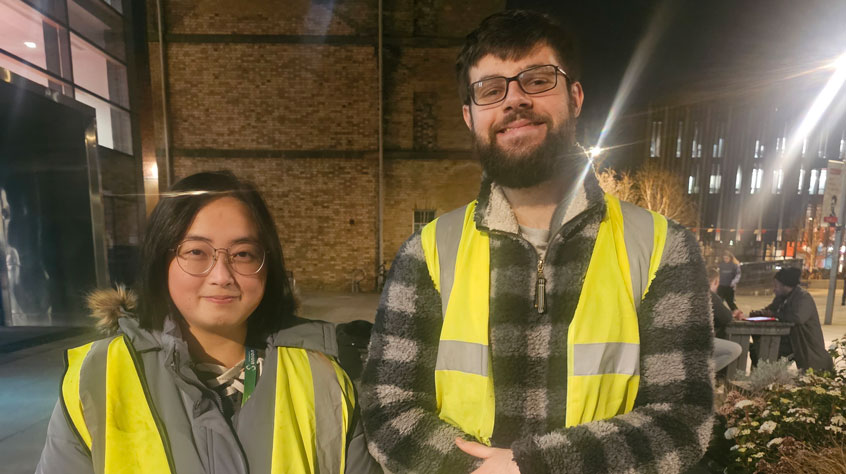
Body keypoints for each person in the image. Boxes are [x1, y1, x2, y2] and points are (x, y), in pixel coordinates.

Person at [361, 10, 713, 473]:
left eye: (537, 80)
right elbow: (387, 408)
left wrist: (535, 466)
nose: (515, 101)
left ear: (575, 96)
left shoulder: (663, 248)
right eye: (491, 89)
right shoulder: (427, 251)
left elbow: (682, 420)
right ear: (469, 116)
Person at [36, 171, 380, 474]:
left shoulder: (326, 373)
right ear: (161, 260)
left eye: (242, 254)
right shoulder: (97, 378)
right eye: (196, 252)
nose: (222, 275)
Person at [749, 267, 834, 373]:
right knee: (758, 349)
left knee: (764, 351)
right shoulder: (782, 297)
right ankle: (761, 376)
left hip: (804, 343)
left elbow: (797, 318)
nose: (774, 289)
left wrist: (773, 314)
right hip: (789, 340)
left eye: (776, 285)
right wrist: (759, 313)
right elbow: (771, 309)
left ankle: (764, 376)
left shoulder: (803, 297)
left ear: (785, 285)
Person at [708, 267, 743, 372]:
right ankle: (702, 375)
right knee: (734, 349)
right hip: (696, 341)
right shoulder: (709, 295)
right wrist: (733, 314)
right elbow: (726, 318)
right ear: (716, 282)